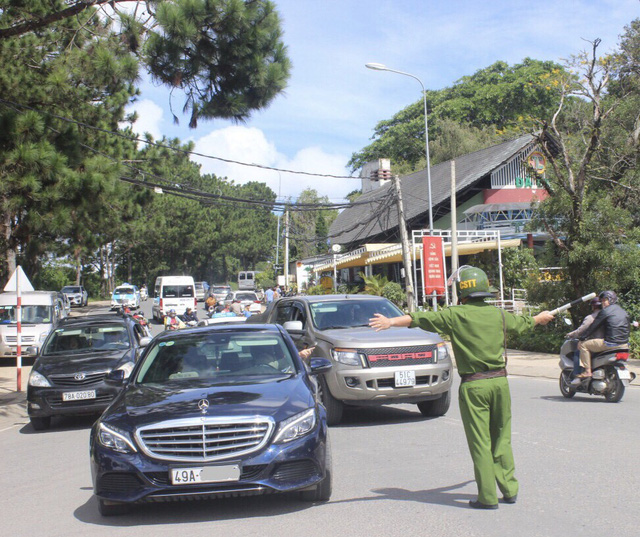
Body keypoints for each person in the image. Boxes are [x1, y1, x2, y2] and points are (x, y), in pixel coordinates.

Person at [368, 265, 554, 510]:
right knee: (502, 438)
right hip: (500, 382)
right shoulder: (499, 315)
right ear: (484, 290)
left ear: (461, 292)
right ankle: (509, 489)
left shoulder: (455, 314)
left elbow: (419, 318)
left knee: (480, 442)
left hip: (474, 385)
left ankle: (487, 497)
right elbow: (526, 323)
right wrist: (540, 318)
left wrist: (390, 321)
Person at [576, 290, 630, 378]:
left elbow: (593, 327)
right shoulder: (623, 311)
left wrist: (582, 338)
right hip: (624, 345)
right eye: (602, 301)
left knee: (583, 345)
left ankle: (587, 371)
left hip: (610, 344)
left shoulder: (605, 311)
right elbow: (628, 328)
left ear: (611, 300)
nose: (603, 303)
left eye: (605, 300)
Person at [565, 297, 604, 383]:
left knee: (577, 352)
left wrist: (571, 334)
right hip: (608, 343)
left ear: (593, 307)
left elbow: (581, 330)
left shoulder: (590, 318)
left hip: (595, 345)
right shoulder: (607, 316)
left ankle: (577, 376)